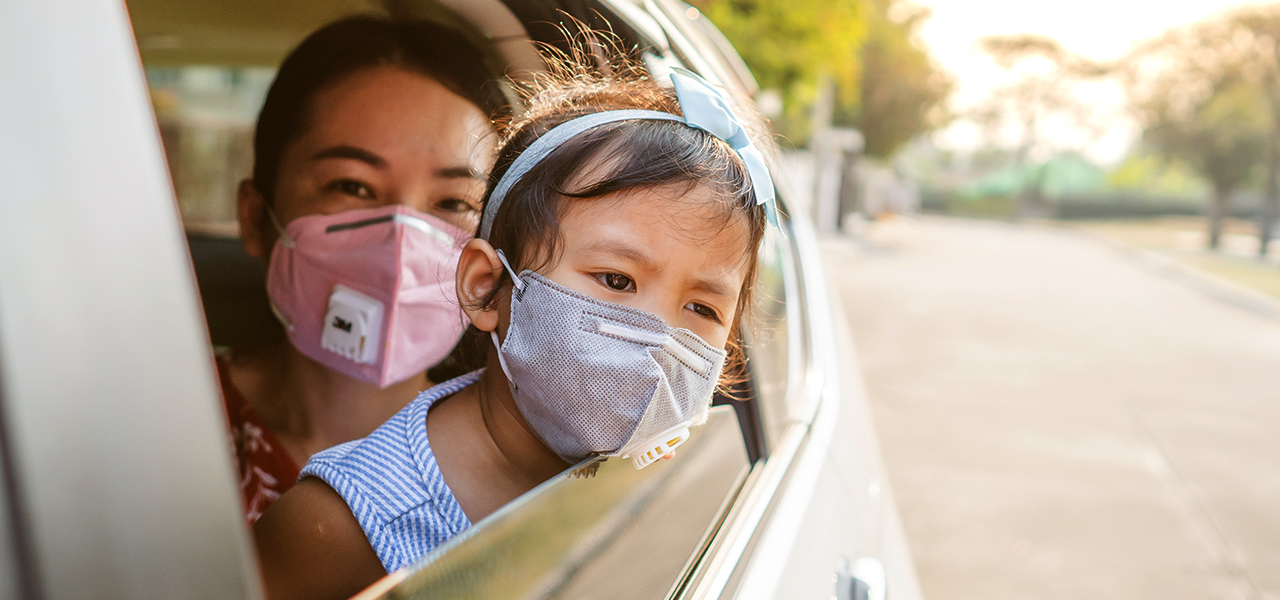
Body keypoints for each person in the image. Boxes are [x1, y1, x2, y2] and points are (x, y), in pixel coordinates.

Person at [252, 47, 780, 600]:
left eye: (702, 309)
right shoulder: (342, 523)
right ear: (486, 288)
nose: (658, 340)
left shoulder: (653, 479)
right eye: (616, 280)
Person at [221, 16, 509, 523]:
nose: (399, 245)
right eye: (352, 187)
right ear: (254, 218)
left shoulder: (515, 462)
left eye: (452, 201)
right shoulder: (152, 422)